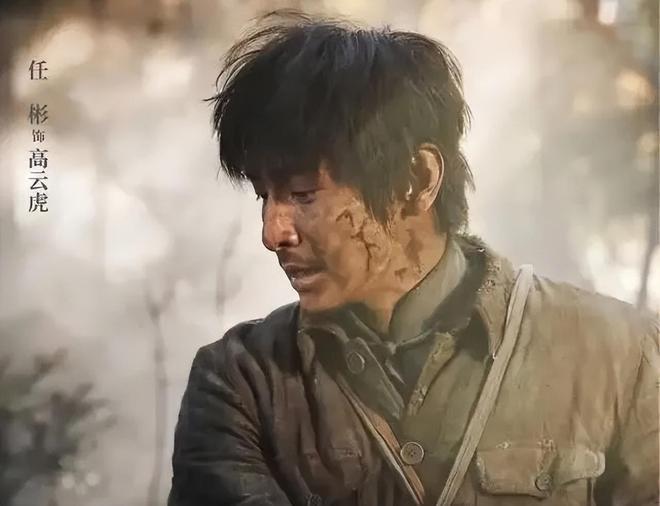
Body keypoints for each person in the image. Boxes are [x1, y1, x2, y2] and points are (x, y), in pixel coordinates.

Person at [168, 11, 659, 506]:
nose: (273, 233)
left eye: (303, 193)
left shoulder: (619, 357)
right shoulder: (242, 384)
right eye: (264, 196)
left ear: (417, 181)